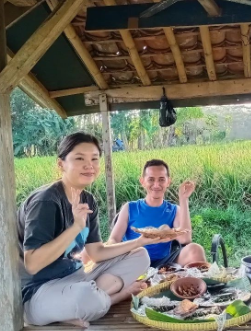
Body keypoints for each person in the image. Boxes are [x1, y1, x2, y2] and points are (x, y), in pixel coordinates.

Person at [17, 133, 173, 328]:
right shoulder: (46, 201)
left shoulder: (87, 199)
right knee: (86, 296)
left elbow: (96, 253)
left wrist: (141, 241)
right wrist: (75, 228)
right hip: (39, 292)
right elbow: (32, 264)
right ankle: (117, 296)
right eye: (79, 158)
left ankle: (85, 304)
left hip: (75, 277)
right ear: (61, 164)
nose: (89, 165)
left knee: (141, 256)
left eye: (94, 159)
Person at [106, 159, 206, 268]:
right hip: (133, 261)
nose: (156, 185)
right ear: (142, 181)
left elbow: (185, 239)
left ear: (168, 182)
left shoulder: (174, 210)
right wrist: (111, 247)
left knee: (195, 250)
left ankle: (199, 284)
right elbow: (114, 239)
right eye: (151, 179)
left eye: (161, 180)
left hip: (164, 263)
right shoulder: (130, 208)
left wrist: (184, 199)